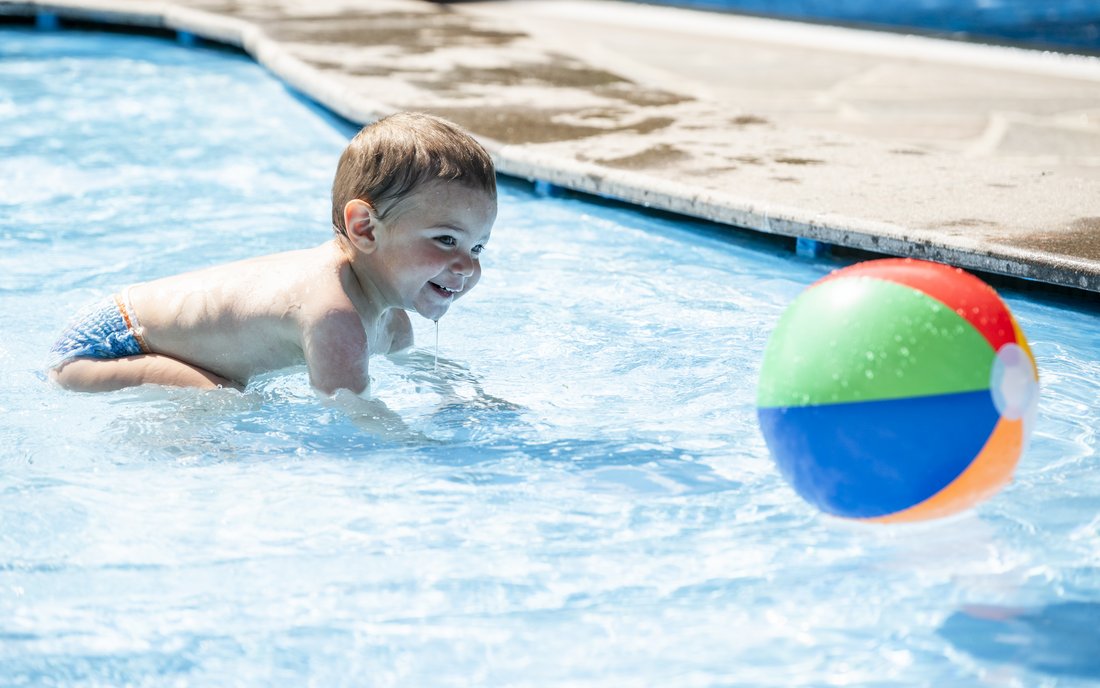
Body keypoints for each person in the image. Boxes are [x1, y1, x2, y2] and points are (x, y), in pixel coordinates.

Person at [46, 112, 497, 397]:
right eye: (445, 240)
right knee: (224, 401)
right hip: (105, 347)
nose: (468, 266)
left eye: (478, 247)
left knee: (229, 393)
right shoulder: (332, 317)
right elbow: (353, 421)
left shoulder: (393, 320)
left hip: (128, 327)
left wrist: (478, 404)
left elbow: (418, 372)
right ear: (364, 228)